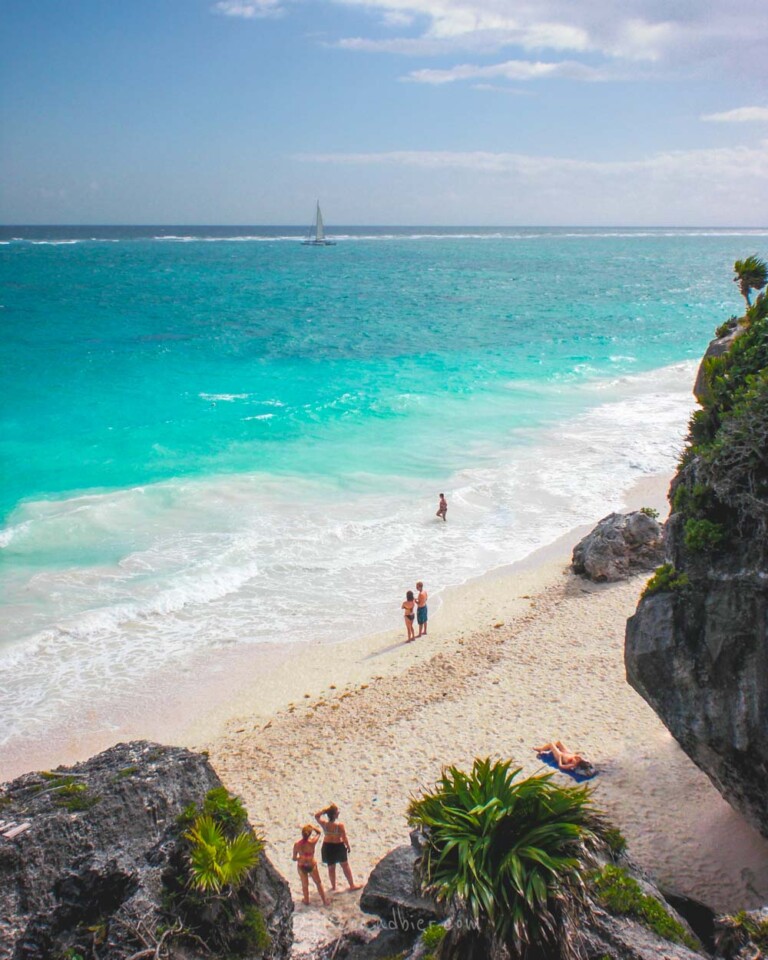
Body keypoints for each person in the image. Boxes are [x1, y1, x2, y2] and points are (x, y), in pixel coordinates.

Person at [314, 803, 361, 892]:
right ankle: (352, 885)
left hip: (327, 846)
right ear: (335, 814)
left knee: (331, 867)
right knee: (345, 866)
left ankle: (333, 886)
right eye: (337, 812)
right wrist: (348, 845)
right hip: (338, 846)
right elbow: (344, 837)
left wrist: (324, 810)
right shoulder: (339, 826)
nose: (338, 813)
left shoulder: (324, 824)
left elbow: (316, 816)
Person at [292, 824, 330, 906]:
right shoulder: (312, 842)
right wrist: (313, 827)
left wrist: (300, 858)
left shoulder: (297, 844)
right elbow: (319, 833)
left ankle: (306, 900)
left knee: (305, 884)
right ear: (309, 834)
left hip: (302, 866)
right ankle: (324, 900)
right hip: (311, 865)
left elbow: (294, 858)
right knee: (318, 883)